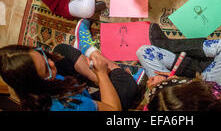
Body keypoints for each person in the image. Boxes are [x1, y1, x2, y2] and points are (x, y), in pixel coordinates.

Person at [0, 39, 138, 111]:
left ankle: (101, 77)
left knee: (61, 51)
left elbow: (54, 61)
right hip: (90, 104)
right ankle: (106, 72)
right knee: (127, 84)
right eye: (46, 70)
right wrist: (102, 73)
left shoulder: (32, 93)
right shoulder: (69, 105)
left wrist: (100, 76)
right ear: (37, 84)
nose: (51, 64)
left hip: (78, 91)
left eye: (42, 55)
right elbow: (113, 110)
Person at [137, 38, 221, 111]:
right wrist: (180, 81)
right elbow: (217, 93)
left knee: (144, 52)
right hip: (204, 83)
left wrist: (155, 90)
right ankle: (188, 57)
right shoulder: (211, 98)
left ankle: (172, 47)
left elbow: (150, 107)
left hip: (180, 83)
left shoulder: (159, 107)